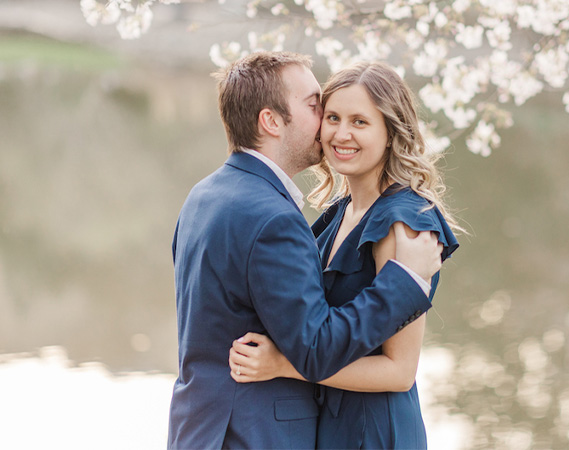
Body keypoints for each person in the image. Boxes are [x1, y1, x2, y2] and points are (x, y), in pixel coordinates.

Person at [168, 52, 445, 449]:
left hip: (369, 432)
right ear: (272, 121)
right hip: (257, 430)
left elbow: (400, 371)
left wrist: (284, 364)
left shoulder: (206, 194)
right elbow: (311, 339)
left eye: (359, 122)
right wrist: (406, 282)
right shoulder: (320, 216)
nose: (333, 131)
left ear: (390, 130)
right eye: (325, 113)